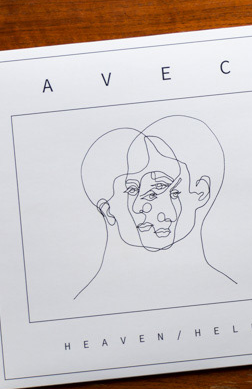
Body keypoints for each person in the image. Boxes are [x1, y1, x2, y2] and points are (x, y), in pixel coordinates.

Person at [75, 115, 236, 313]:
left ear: (200, 193)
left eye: (161, 187)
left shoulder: (231, 295)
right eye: (131, 190)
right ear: (107, 210)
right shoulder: (86, 305)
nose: (140, 205)